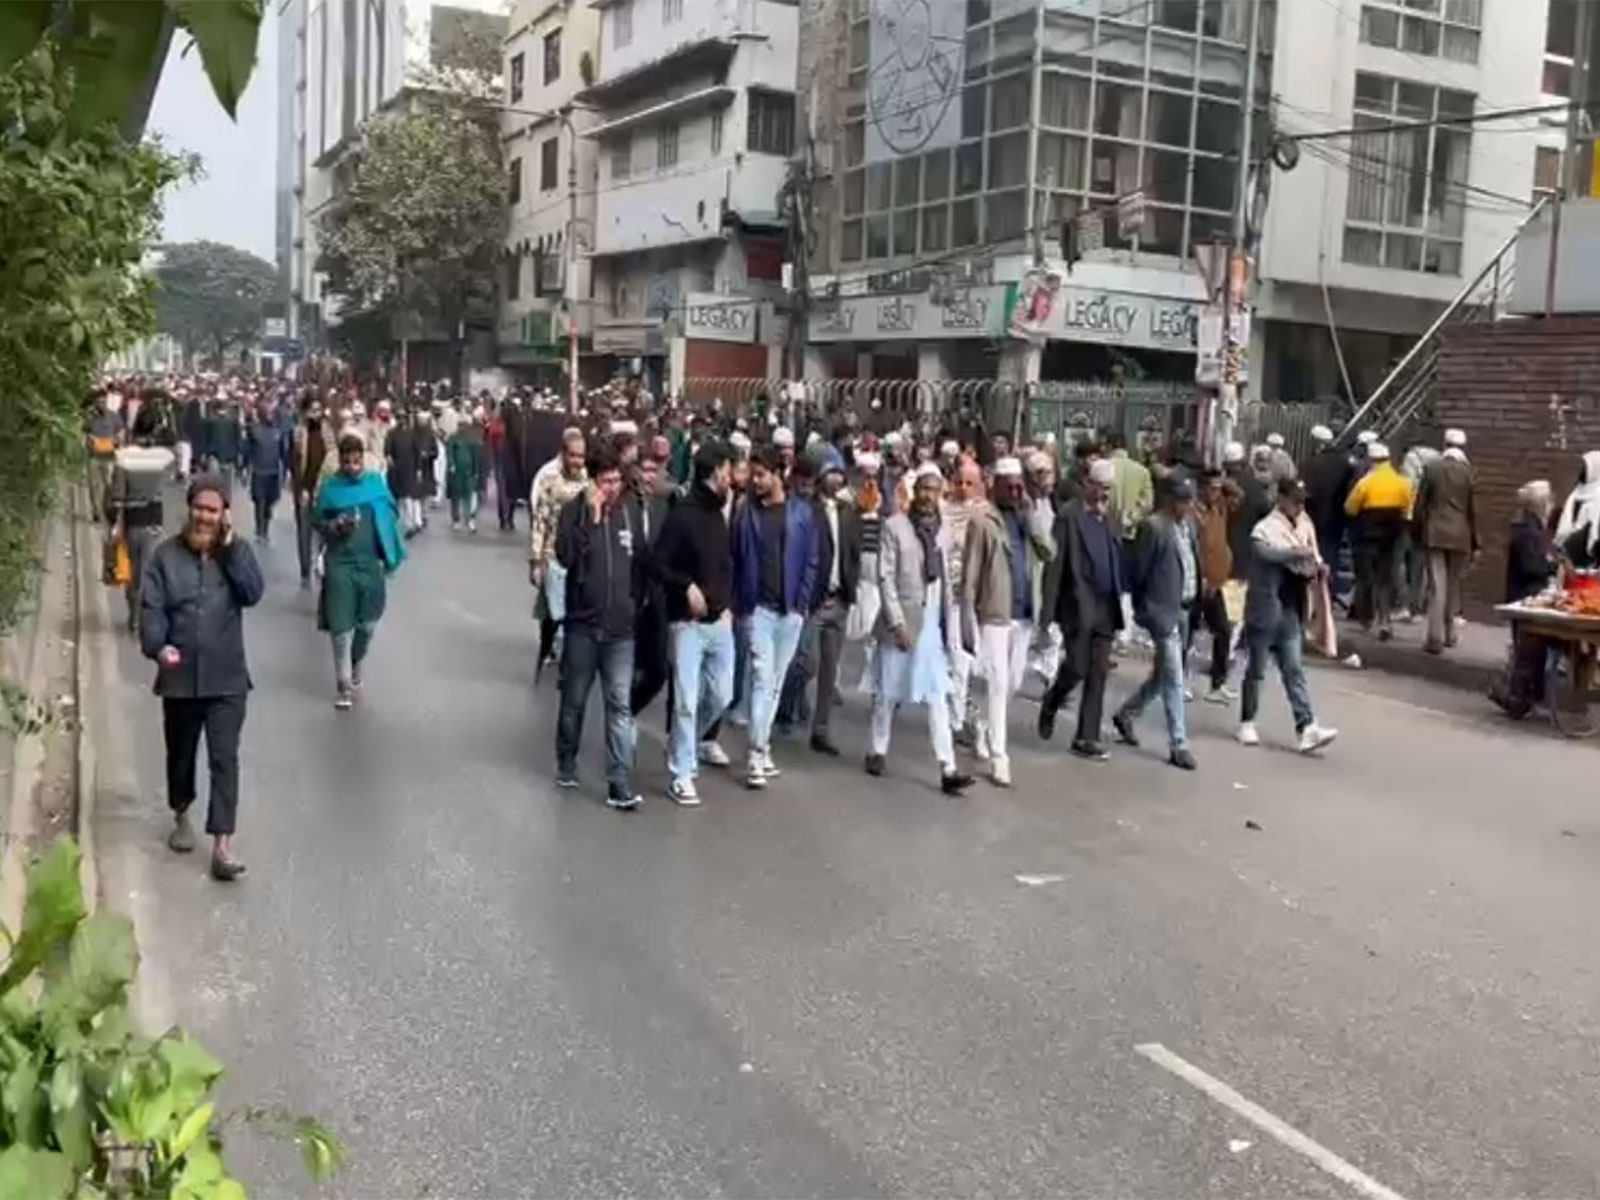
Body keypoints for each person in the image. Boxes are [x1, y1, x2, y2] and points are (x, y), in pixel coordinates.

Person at [139, 475, 265, 881]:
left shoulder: (237, 553)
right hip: (180, 678)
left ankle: (223, 845)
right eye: (199, 508)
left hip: (228, 678)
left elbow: (253, 593)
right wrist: (159, 647)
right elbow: (151, 609)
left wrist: (230, 551)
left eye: (213, 510)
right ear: (188, 510)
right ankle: (180, 810)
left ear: (224, 515)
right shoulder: (165, 557)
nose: (204, 517)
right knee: (180, 754)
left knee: (224, 759)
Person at [867, 462, 973, 794]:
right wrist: (896, 622)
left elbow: (947, 574)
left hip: (932, 624)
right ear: (915, 492)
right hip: (901, 620)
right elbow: (885, 577)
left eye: (933, 489)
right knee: (888, 691)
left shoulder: (944, 529)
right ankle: (877, 750)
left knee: (937, 695)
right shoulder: (895, 526)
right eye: (923, 489)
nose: (928, 495)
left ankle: (948, 767)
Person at [553, 443, 642, 809]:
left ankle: (618, 782)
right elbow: (566, 556)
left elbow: (639, 560)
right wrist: (590, 519)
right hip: (583, 627)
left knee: (619, 705)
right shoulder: (574, 513)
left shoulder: (628, 513)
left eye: (617, 480)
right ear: (592, 481)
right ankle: (566, 760)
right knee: (574, 701)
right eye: (606, 481)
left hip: (621, 630)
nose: (613, 487)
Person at [961, 457, 1054, 787]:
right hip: (994, 613)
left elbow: (1049, 552)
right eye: (1010, 485)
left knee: (1013, 682)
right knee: (998, 682)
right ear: (996, 486)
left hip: (1025, 612)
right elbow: (970, 574)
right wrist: (966, 616)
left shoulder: (1026, 518)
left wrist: (1032, 519)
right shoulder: (983, 521)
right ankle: (1000, 757)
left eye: (1019, 485)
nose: (1015, 491)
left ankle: (983, 726)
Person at [653, 442, 736, 805]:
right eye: (729, 470)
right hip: (685, 623)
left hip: (720, 621)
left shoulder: (719, 513)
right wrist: (685, 587)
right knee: (686, 698)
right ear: (714, 472)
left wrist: (728, 604)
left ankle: (686, 742)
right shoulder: (682, 514)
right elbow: (657, 563)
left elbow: (724, 563)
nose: (733, 477)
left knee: (722, 693)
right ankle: (681, 772)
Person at [731, 444, 817, 790]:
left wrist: (802, 601)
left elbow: (811, 558)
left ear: (779, 473)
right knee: (763, 678)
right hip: (758, 609)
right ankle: (755, 753)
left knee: (776, 682)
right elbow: (735, 557)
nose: (755, 480)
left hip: (790, 611)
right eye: (752, 474)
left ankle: (763, 746)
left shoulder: (800, 513)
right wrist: (740, 604)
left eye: (761, 474)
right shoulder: (745, 512)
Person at [1237, 478, 1339, 753]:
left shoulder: (1305, 524)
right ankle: (1247, 721)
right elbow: (1267, 553)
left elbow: (1312, 558)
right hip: (1265, 607)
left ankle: (1306, 726)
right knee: (1256, 670)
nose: (1299, 505)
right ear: (1281, 499)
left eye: (1302, 500)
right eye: (1294, 500)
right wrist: (1296, 553)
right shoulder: (1265, 529)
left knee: (1293, 669)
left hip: (1291, 607)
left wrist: (1318, 567)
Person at [1111, 475, 1200, 770]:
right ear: (1170, 500)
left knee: (1162, 676)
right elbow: (1139, 570)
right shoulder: (1153, 527)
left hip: (1185, 606)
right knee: (1174, 677)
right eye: (1183, 501)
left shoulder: (1186, 527)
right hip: (1163, 611)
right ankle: (1179, 743)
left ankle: (1127, 713)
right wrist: (1144, 608)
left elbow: (1191, 563)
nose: (1188, 507)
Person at [314, 434, 407, 710]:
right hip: (340, 562)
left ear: (363, 458)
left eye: (357, 461)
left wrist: (385, 534)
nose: (353, 466)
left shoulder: (375, 483)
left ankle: (356, 662)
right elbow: (318, 521)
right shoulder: (331, 488)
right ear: (340, 461)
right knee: (341, 625)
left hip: (369, 563)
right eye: (347, 462)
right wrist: (336, 526)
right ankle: (343, 683)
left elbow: (391, 511)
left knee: (367, 624)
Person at [796, 445, 861, 755]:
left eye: (839, 473)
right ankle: (788, 703)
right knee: (805, 662)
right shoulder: (808, 509)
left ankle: (821, 730)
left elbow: (853, 552)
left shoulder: (848, 512)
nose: (836, 479)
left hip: (839, 599)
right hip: (814, 599)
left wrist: (851, 588)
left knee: (830, 669)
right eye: (830, 473)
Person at [1492, 480, 1560, 718]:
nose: (1553, 504)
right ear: (1541, 504)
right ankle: (1517, 697)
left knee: (1529, 649)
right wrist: (1551, 568)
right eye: (1549, 500)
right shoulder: (1528, 532)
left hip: (1525, 594)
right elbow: (1532, 567)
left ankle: (1523, 697)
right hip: (1525, 595)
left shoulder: (1530, 529)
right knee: (1528, 649)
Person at [529, 428, 588, 679]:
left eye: (581, 456)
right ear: (563, 454)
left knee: (574, 613)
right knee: (556, 612)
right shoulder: (548, 480)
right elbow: (540, 520)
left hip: (582, 558)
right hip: (553, 556)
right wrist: (536, 560)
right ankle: (550, 650)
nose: (577, 461)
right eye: (573, 455)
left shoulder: (588, 482)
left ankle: (568, 664)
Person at [1416, 428, 1479, 654]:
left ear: (1444, 444)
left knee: (1437, 586)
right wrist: (1476, 542)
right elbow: (1473, 511)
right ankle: (1451, 633)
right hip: (1461, 535)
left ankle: (1434, 638)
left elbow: (1420, 505)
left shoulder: (1432, 468)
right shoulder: (1468, 472)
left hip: (1435, 534)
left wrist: (1417, 532)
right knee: (1454, 585)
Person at [1344, 441, 1413, 640]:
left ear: (1371, 460)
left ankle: (1366, 617)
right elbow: (1410, 509)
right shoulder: (1403, 482)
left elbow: (1350, 508)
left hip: (1368, 536)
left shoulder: (1365, 482)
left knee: (1366, 577)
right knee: (1385, 579)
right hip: (1392, 536)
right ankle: (1385, 620)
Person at [107, 435, 176, 632]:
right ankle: (144, 615)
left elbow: (117, 496)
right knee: (147, 570)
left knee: (132, 570)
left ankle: (135, 614)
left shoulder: (124, 463)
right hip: (154, 522)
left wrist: (116, 523)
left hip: (133, 523)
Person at [1193, 468, 1241, 703]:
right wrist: (1200, 577)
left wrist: (1224, 482)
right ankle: (1176, 680)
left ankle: (1217, 683)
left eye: (1218, 489)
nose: (1216, 492)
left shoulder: (1219, 507)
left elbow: (1239, 497)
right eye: (1212, 488)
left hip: (1216, 583)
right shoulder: (1195, 512)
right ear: (1201, 488)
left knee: (1223, 630)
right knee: (1187, 634)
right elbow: (1197, 549)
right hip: (1198, 582)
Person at [1300, 424, 1353, 594]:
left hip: (1314, 516)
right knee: (1332, 554)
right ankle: (1329, 590)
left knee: (1314, 553)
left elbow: (1303, 492)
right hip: (1337, 517)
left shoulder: (1309, 464)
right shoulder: (1344, 464)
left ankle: (1314, 591)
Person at [242, 403, 286, 543]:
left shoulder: (277, 432)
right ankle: (261, 531)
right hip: (259, 472)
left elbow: (283, 454)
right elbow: (247, 451)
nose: (270, 416)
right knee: (259, 501)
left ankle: (265, 527)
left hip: (273, 472)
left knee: (269, 502)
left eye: (271, 414)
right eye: (267, 413)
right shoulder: (254, 431)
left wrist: (285, 471)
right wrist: (244, 468)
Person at [1554, 450, 1600, 569]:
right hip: (1569, 552)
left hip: (1589, 556)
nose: (1582, 472)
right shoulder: (1576, 493)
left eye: (1586, 468)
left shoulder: (1597, 494)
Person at [446, 410, 487, 533]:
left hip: (468, 472)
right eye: (460, 425)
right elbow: (450, 453)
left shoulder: (471, 440)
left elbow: (475, 456)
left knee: (468, 496)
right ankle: (456, 520)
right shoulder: (453, 438)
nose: (462, 427)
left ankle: (469, 520)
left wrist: (476, 470)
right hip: (456, 471)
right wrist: (451, 465)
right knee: (456, 496)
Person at [86, 393, 125, 520]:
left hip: (109, 457)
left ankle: (107, 508)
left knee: (108, 485)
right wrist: (89, 439)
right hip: (94, 456)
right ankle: (96, 511)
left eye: (103, 401)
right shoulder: (90, 417)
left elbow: (121, 430)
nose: (101, 404)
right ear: (95, 403)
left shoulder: (114, 416)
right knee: (94, 486)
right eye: (99, 402)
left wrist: (118, 439)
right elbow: (84, 433)